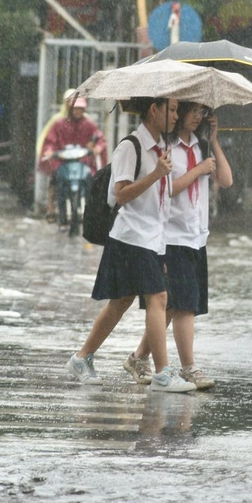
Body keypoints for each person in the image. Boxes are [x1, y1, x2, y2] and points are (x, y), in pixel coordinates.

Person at [65, 97, 196, 392]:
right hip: (131, 236)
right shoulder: (130, 146)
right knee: (159, 297)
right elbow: (120, 194)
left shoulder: (162, 147)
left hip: (151, 237)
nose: (176, 116)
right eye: (172, 109)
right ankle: (163, 373)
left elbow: (160, 198)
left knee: (121, 302)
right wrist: (155, 175)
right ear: (154, 110)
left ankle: (81, 357)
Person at [123, 102, 234, 390]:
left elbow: (226, 179)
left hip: (195, 235)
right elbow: (168, 187)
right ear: (179, 111)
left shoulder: (201, 146)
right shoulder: (168, 147)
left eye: (202, 111)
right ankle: (189, 368)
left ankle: (138, 357)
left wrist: (215, 142)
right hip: (171, 236)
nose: (197, 116)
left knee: (172, 307)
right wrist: (198, 170)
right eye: (192, 110)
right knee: (184, 306)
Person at [39, 95, 106, 228]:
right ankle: (53, 210)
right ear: (69, 109)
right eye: (75, 109)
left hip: (84, 162)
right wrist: (49, 150)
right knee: (56, 182)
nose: (77, 112)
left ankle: (94, 212)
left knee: (94, 183)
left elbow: (99, 138)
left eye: (80, 109)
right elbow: (50, 141)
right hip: (63, 162)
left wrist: (97, 147)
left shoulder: (89, 124)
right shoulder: (59, 124)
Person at [37, 89, 75, 222]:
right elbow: (48, 138)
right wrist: (48, 151)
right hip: (60, 157)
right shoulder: (58, 120)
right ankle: (51, 206)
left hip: (77, 157)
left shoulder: (84, 120)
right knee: (54, 179)